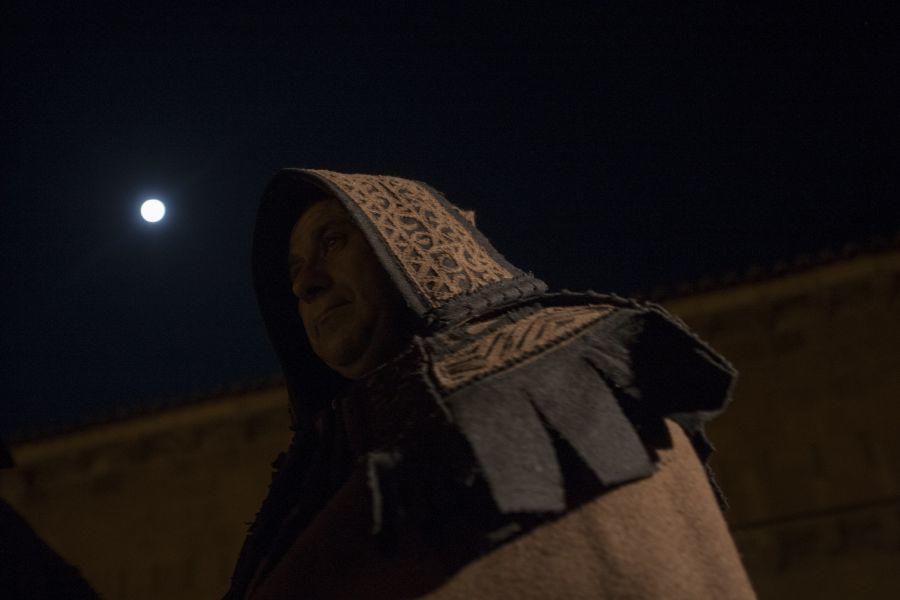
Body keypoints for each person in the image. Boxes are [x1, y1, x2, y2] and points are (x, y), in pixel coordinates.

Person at [226, 169, 756, 599]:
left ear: (412, 242)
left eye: (334, 241)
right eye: (295, 271)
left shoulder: (570, 362)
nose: (305, 283)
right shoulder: (319, 469)